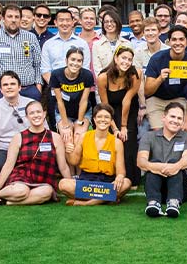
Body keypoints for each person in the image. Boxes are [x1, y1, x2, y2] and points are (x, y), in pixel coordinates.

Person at [0, 101, 71, 206]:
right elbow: (8, 165)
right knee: (21, 191)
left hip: (44, 180)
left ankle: (9, 202)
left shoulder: (55, 137)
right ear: (27, 117)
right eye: (32, 113)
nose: (36, 115)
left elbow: (63, 166)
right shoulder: (18, 137)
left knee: (46, 192)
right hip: (21, 177)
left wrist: (71, 185)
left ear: (44, 114)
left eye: (38, 112)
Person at [60, 104, 130, 205]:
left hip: (107, 181)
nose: (103, 120)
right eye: (99, 117)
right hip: (86, 180)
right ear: (94, 119)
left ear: (111, 121)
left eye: (107, 117)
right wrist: (68, 151)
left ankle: (86, 202)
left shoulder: (116, 142)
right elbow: (73, 161)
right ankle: (106, 199)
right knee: (63, 184)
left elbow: (121, 171)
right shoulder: (84, 137)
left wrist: (120, 176)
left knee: (126, 183)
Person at [138, 101, 187, 218]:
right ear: (163, 118)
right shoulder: (149, 136)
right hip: (156, 185)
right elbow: (141, 161)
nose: (175, 121)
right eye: (172, 116)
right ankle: (153, 203)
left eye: (179, 118)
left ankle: (174, 203)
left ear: (183, 122)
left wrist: (174, 167)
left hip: (181, 188)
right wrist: (158, 167)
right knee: (154, 163)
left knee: (175, 162)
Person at [0, 4, 42, 103]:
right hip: (0, 91)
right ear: (3, 18)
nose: (13, 20)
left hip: (27, 89)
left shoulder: (31, 37)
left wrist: (38, 88)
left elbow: (37, 65)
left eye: (17, 17)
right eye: (10, 16)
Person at [97, 44, 140, 184]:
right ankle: (109, 174)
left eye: (129, 59)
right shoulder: (103, 77)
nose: (126, 62)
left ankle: (131, 178)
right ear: (116, 58)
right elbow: (105, 106)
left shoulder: (135, 75)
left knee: (128, 138)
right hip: (110, 110)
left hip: (129, 109)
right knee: (111, 137)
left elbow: (127, 101)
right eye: (123, 58)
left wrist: (123, 126)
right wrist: (114, 128)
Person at [143, 26, 187, 129]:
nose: (178, 43)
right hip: (156, 100)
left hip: (178, 99)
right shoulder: (157, 59)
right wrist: (160, 79)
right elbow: (147, 91)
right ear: (169, 42)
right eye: (174, 39)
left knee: (180, 130)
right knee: (159, 133)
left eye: (181, 39)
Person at [50, 47, 94, 153]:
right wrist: (65, 124)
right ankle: (69, 170)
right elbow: (59, 101)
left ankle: (79, 170)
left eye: (79, 61)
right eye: (72, 59)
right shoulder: (56, 75)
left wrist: (79, 121)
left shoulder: (87, 75)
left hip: (83, 112)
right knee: (68, 140)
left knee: (78, 140)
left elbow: (84, 100)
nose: (75, 63)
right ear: (66, 61)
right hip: (63, 112)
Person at [40, 9, 90, 89]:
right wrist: (57, 86)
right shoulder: (48, 44)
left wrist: (71, 87)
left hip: (77, 88)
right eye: (61, 20)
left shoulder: (82, 44)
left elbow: (85, 68)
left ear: (73, 22)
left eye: (68, 20)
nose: (65, 23)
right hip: (54, 88)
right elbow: (45, 70)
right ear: (55, 23)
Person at [92, 10, 131, 75]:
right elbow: (98, 71)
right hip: (104, 82)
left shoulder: (127, 44)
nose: (109, 24)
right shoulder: (96, 45)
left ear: (117, 23)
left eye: (112, 21)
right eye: (106, 22)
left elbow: (130, 67)